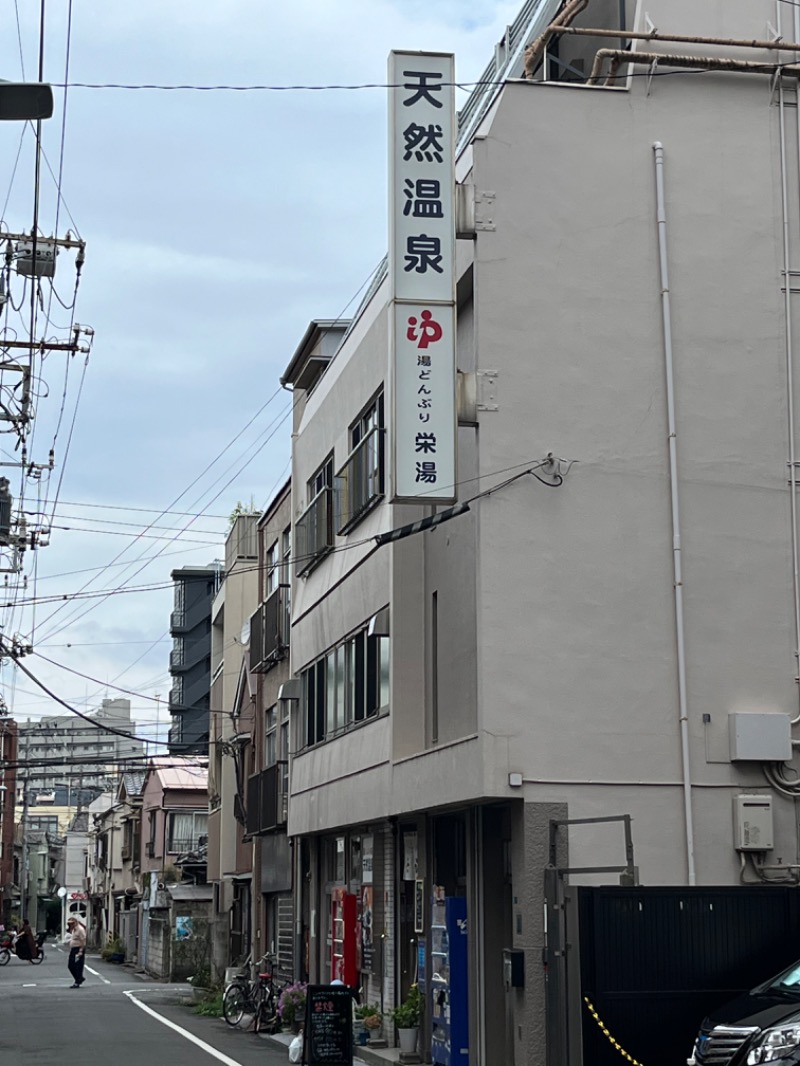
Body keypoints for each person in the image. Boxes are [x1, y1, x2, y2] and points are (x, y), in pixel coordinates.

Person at [66, 916, 86, 988]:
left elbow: (83, 940)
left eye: (72, 923)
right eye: (69, 924)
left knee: (77, 965)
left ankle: (78, 981)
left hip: (78, 949)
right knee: (71, 965)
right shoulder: (74, 930)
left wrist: (81, 951)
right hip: (73, 949)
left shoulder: (80, 929)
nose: (70, 925)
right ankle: (79, 978)